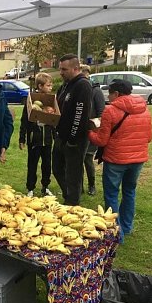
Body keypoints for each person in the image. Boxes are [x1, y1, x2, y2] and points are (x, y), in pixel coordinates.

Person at [88, 79, 152, 242]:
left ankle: (117, 233)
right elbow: (149, 137)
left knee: (111, 195)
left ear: (116, 94)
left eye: (109, 92)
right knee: (130, 192)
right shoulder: (144, 109)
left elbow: (101, 141)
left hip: (116, 160)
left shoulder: (110, 111)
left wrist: (89, 132)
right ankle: (126, 226)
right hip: (138, 160)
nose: (108, 96)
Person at [52, 54, 92, 205]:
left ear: (76, 68)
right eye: (60, 69)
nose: (61, 72)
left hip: (75, 140)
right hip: (60, 135)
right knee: (56, 168)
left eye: (64, 69)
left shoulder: (82, 85)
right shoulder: (65, 85)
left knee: (73, 173)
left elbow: (80, 114)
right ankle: (68, 193)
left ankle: (72, 202)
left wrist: (73, 139)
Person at [19, 72, 55, 197]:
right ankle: (30, 188)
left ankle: (45, 187)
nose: (51, 88)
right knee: (32, 164)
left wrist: (55, 135)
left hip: (47, 140)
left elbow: (54, 120)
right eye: (48, 85)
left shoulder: (51, 102)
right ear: (40, 86)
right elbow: (24, 120)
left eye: (51, 85)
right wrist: (22, 138)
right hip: (35, 140)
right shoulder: (31, 101)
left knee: (47, 165)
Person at [80, 64, 105, 195]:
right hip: (79, 130)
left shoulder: (96, 91)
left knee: (88, 159)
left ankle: (91, 185)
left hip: (91, 131)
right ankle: (79, 187)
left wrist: (95, 127)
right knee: (78, 159)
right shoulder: (79, 89)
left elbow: (101, 112)